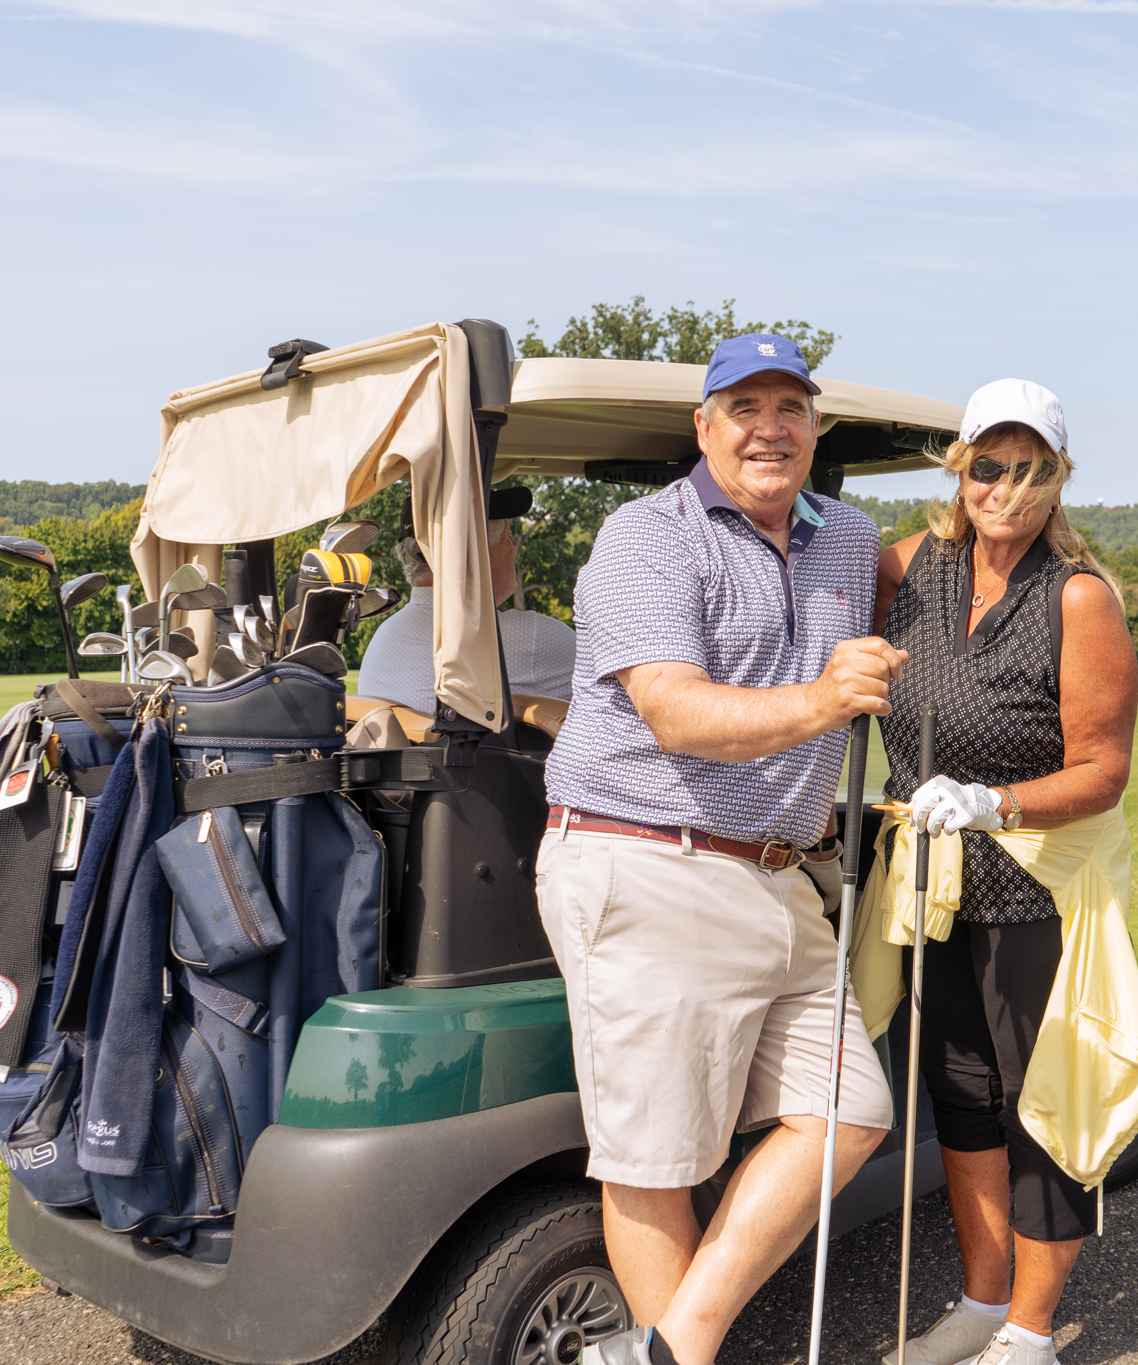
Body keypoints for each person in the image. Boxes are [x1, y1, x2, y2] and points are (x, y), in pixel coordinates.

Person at [538, 334, 901, 1365]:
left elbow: (935, 577)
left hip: (781, 878)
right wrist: (827, 699)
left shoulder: (847, 537)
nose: (768, 428)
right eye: (743, 406)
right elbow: (676, 713)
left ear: (814, 429)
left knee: (848, 1112)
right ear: (703, 428)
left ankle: (666, 1349)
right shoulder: (646, 538)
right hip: (650, 858)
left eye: (789, 406)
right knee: (657, 1160)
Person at [869, 379, 1138, 1365]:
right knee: (960, 1090)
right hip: (934, 889)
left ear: (1058, 478)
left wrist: (996, 803)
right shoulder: (906, 567)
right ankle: (982, 1302)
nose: (1006, 488)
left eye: (1031, 469)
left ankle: (1030, 1333)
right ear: (958, 467)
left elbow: (1102, 771)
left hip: (1035, 891)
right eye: (987, 464)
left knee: (1041, 1098)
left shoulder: (1075, 598)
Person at [357, 513, 576, 711]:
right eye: (507, 536)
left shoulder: (383, 636)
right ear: (476, 552)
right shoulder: (530, 637)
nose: (514, 545)